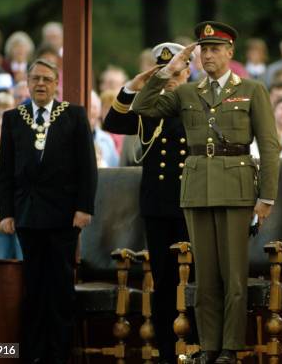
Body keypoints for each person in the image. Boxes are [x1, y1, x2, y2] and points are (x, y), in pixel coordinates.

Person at [131, 21, 280, 364]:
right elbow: (143, 106)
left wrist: (266, 197)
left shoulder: (252, 90)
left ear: (230, 53)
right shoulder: (186, 92)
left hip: (237, 190)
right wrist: (168, 70)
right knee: (206, 277)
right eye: (204, 50)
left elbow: (269, 146)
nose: (209, 55)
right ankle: (209, 347)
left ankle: (230, 347)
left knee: (234, 277)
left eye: (216, 49)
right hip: (197, 190)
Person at [0, 58, 97, 363]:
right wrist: (5, 212)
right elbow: (5, 170)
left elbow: (87, 168)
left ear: (56, 84)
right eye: (35, 79)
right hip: (27, 216)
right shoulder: (14, 118)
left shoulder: (74, 116)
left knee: (60, 290)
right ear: (27, 83)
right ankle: (33, 354)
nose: (41, 84)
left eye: (47, 79)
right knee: (34, 290)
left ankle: (60, 354)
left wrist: (84, 207)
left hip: (64, 217)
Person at [103, 42, 193, 364]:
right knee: (165, 280)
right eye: (164, 74)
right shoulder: (149, 110)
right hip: (158, 206)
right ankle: (168, 351)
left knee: (193, 280)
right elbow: (111, 123)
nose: (170, 80)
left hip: (191, 206)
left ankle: (194, 348)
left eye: (176, 73)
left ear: (188, 73)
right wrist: (132, 87)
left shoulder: (196, 104)